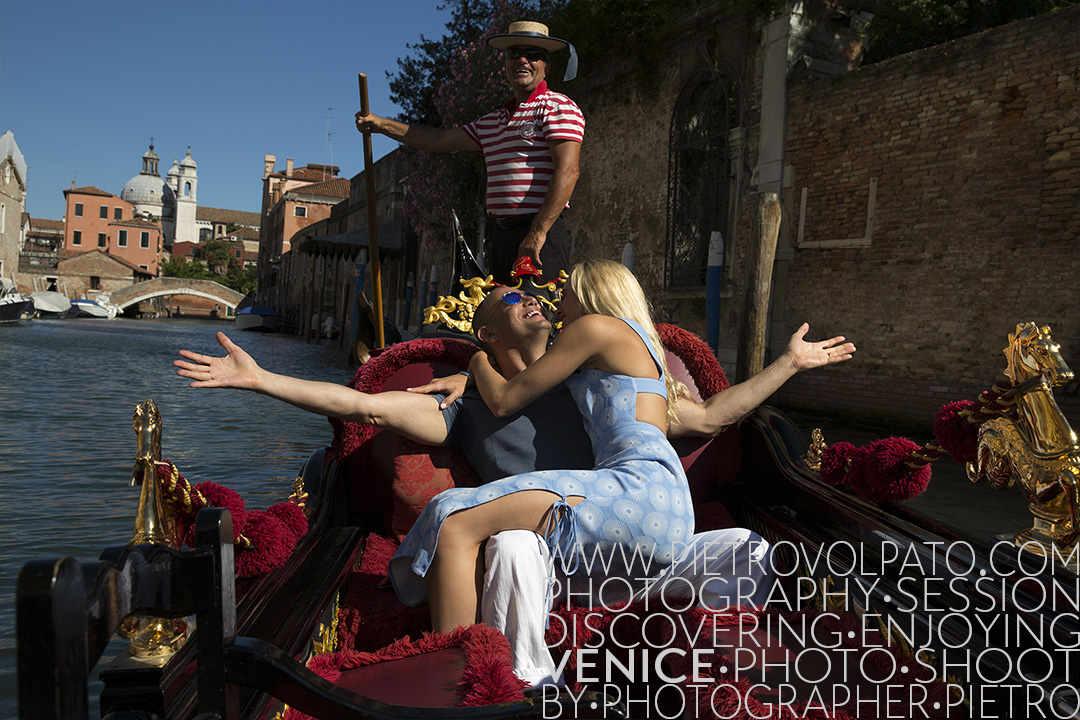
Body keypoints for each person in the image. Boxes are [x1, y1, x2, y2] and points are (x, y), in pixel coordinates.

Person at [173, 280, 855, 686]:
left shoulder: (596, 384)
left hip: (610, 534)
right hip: (530, 545)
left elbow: (709, 414)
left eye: (533, 296)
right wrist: (260, 379)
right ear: (484, 330)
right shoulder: (463, 409)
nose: (530, 299)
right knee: (513, 546)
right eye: (510, 300)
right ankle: (497, 681)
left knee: (742, 546)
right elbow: (362, 406)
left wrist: (787, 365)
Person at [355, 21, 583, 284]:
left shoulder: (556, 107)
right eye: (514, 54)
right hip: (501, 236)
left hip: (541, 234)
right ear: (506, 66)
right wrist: (381, 125)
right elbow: (439, 140)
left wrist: (537, 233)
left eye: (533, 55)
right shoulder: (491, 122)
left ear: (546, 67)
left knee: (538, 317)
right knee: (501, 317)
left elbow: (568, 170)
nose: (522, 59)